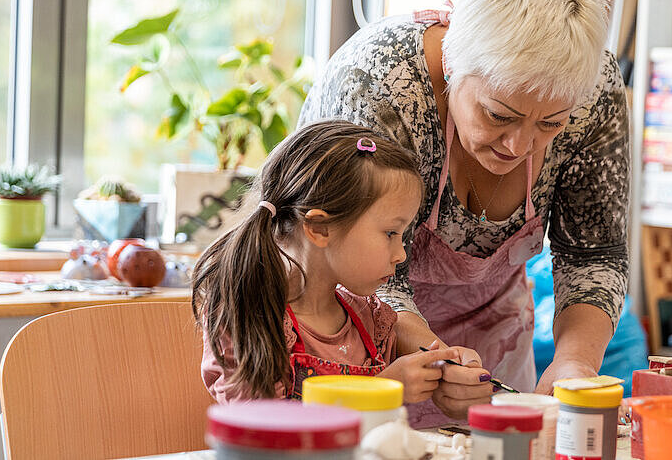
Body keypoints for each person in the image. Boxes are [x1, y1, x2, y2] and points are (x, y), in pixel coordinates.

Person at [299, 0, 629, 427]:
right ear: (453, 63)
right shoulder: (378, 81)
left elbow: (594, 253)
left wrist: (574, 363)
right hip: (351, 317)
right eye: (499, 114)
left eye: (549, 125)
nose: (519, 146)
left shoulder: (591, 88)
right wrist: (434, 355)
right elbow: (353, 254)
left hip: (494, 319)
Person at [194, 120, 487, 403]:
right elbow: (259, 429)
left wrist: (445, 369)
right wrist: (380, 391)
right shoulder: (250, 316)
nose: (401, 254)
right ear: (319, 228)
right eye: (390, 233)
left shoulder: (371, 321)